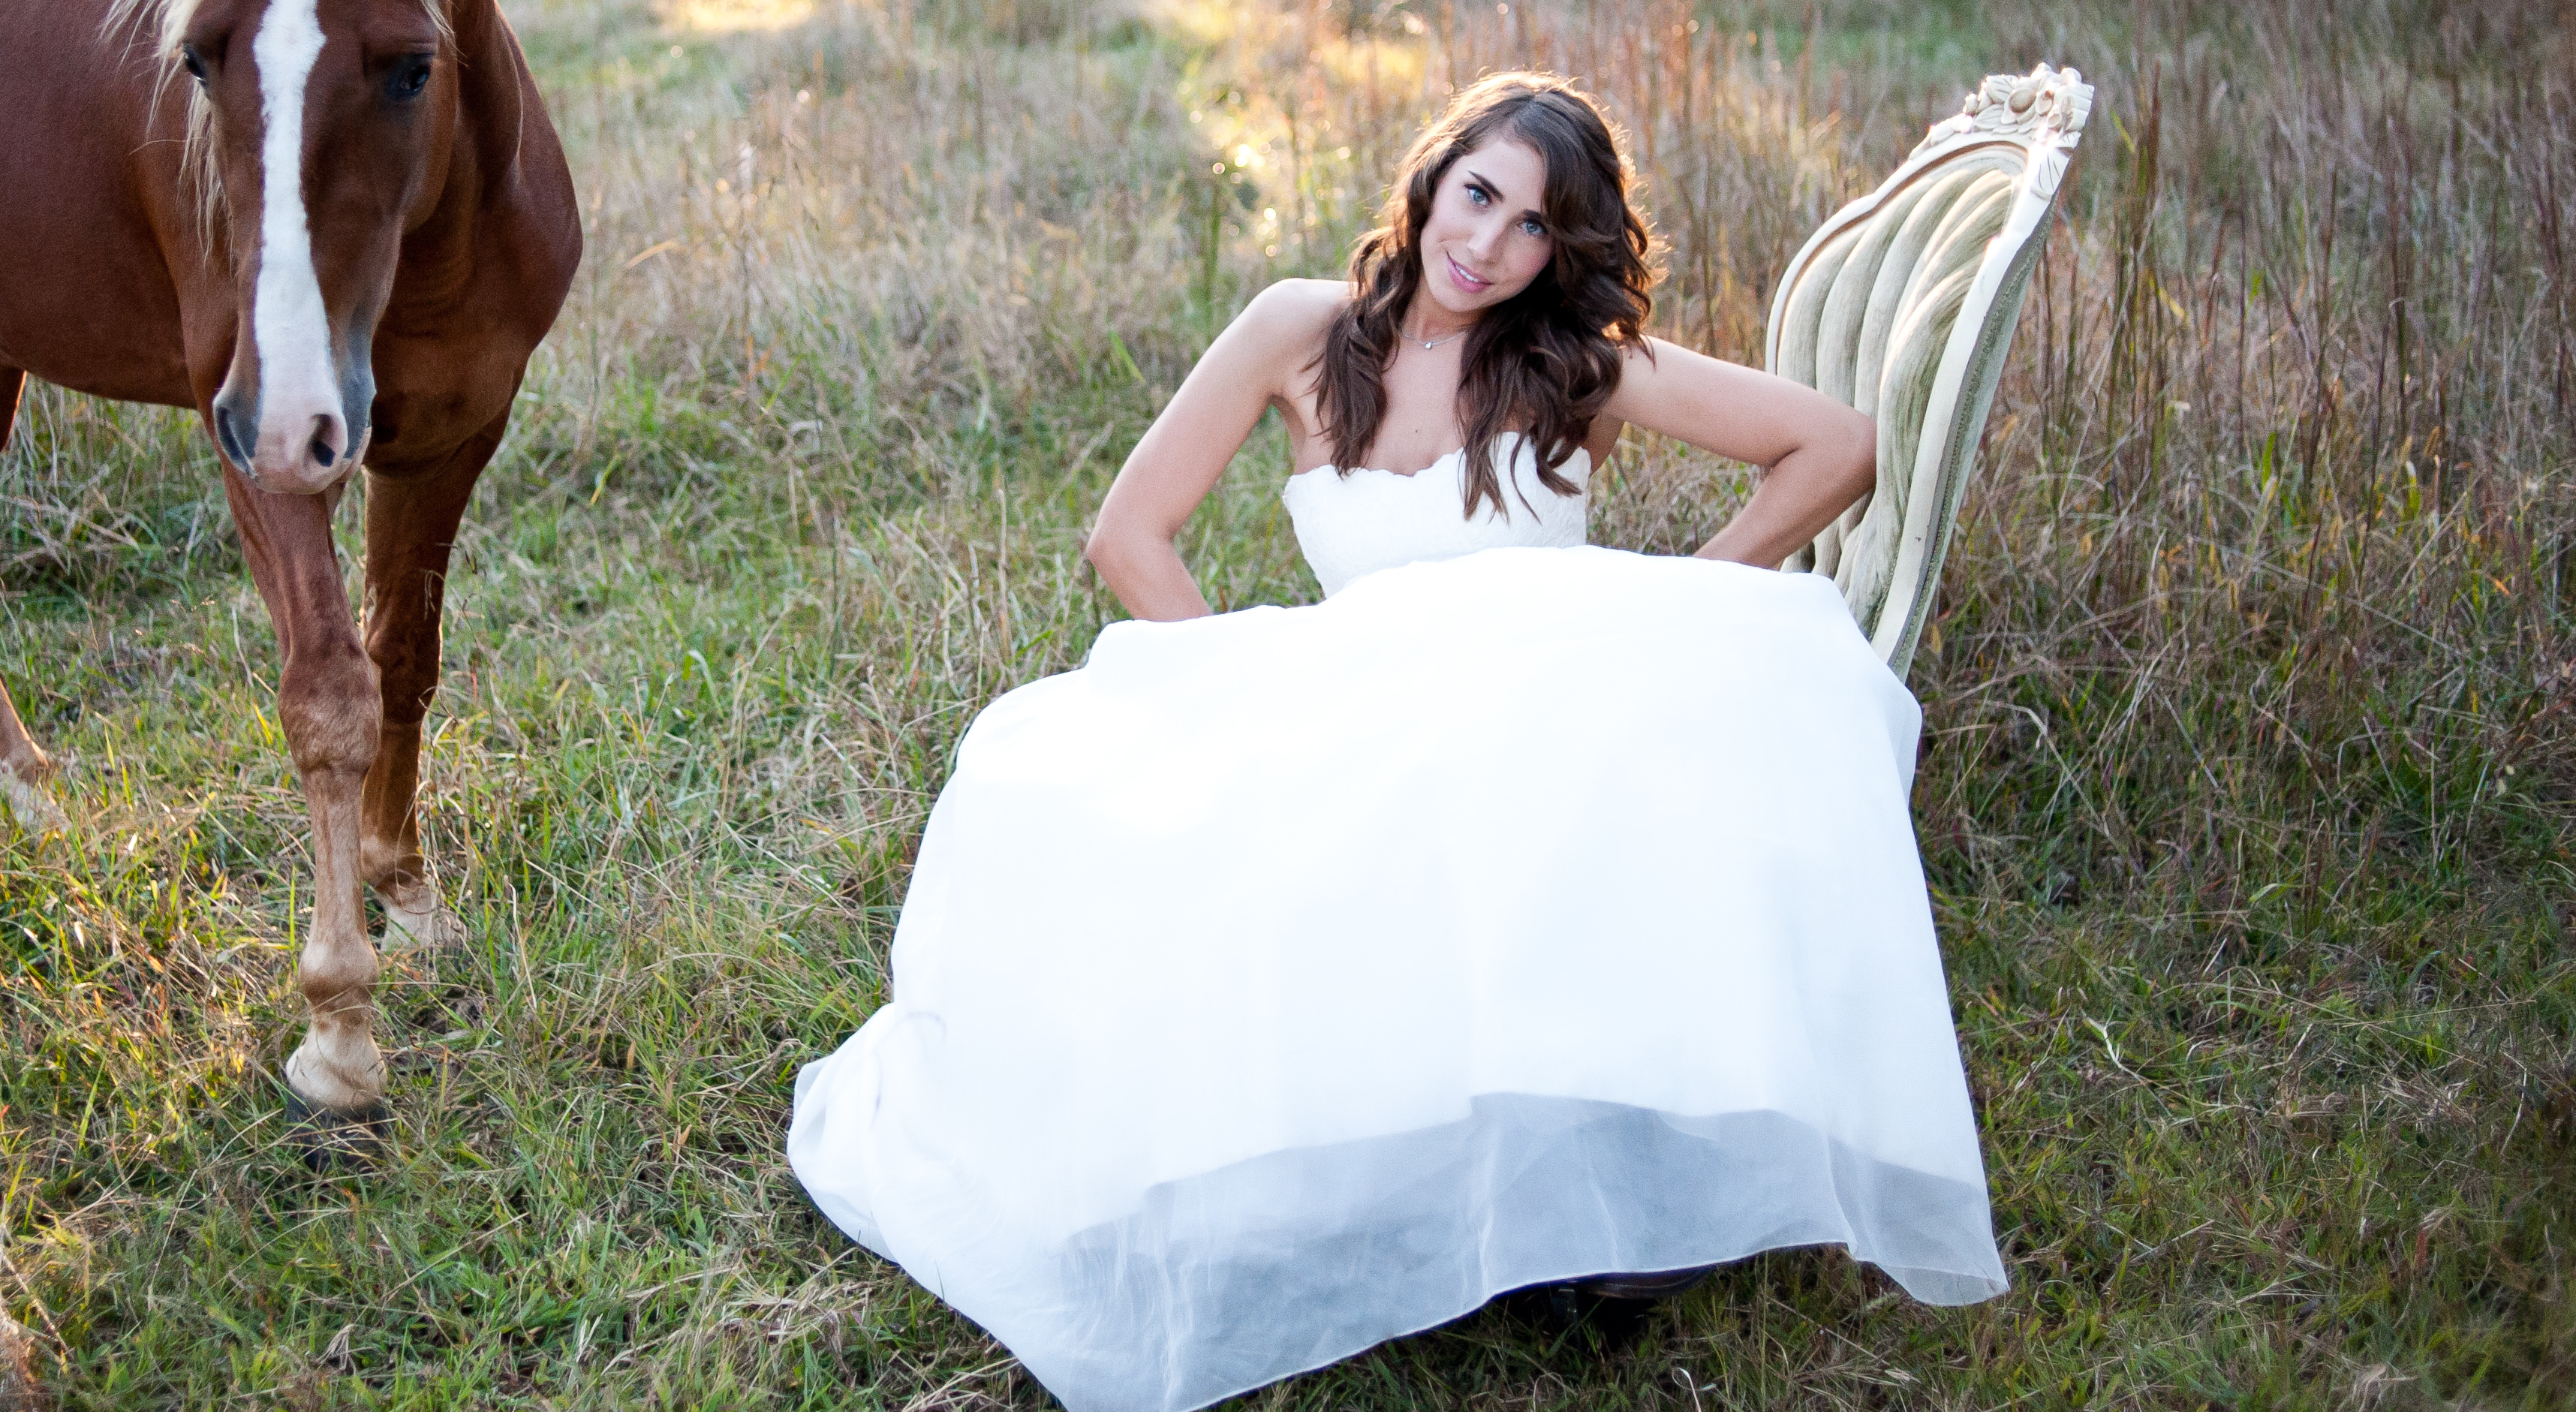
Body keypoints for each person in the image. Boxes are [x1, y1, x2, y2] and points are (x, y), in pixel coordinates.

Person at [787, 72, 2009, 1412]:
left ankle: (1613, 1175)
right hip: (1364, 699)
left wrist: (1684, 600)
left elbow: (1833, 445)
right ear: (1433, 178)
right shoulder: (1300, 331)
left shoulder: (1576, 357)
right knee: (1067, 798)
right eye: (1478, 195)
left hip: (1546, 715)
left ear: (1567, 248)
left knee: (1595, 743)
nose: (1487, 246)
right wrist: (1229, 687)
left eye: (1534, 228)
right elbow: (1128, 536)